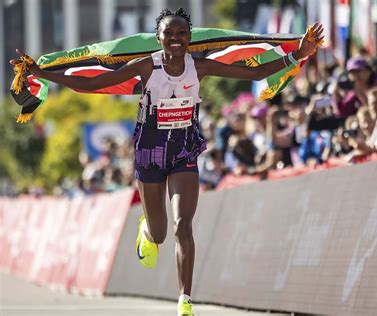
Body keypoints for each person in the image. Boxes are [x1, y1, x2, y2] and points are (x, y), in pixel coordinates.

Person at [10, 8, 324, 316]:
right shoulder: (146, 66)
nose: (175, 38)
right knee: (160, 234)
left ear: (190, 38)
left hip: (185, 150)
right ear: (159, 38)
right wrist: (40, 74)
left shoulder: (199, 66)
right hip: (150, 150)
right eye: (169, 33)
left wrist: (297, 55)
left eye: (181, 33)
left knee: (183, 226)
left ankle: (185, 301)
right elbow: (94, 83)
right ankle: (147, 229)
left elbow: (254, 73)